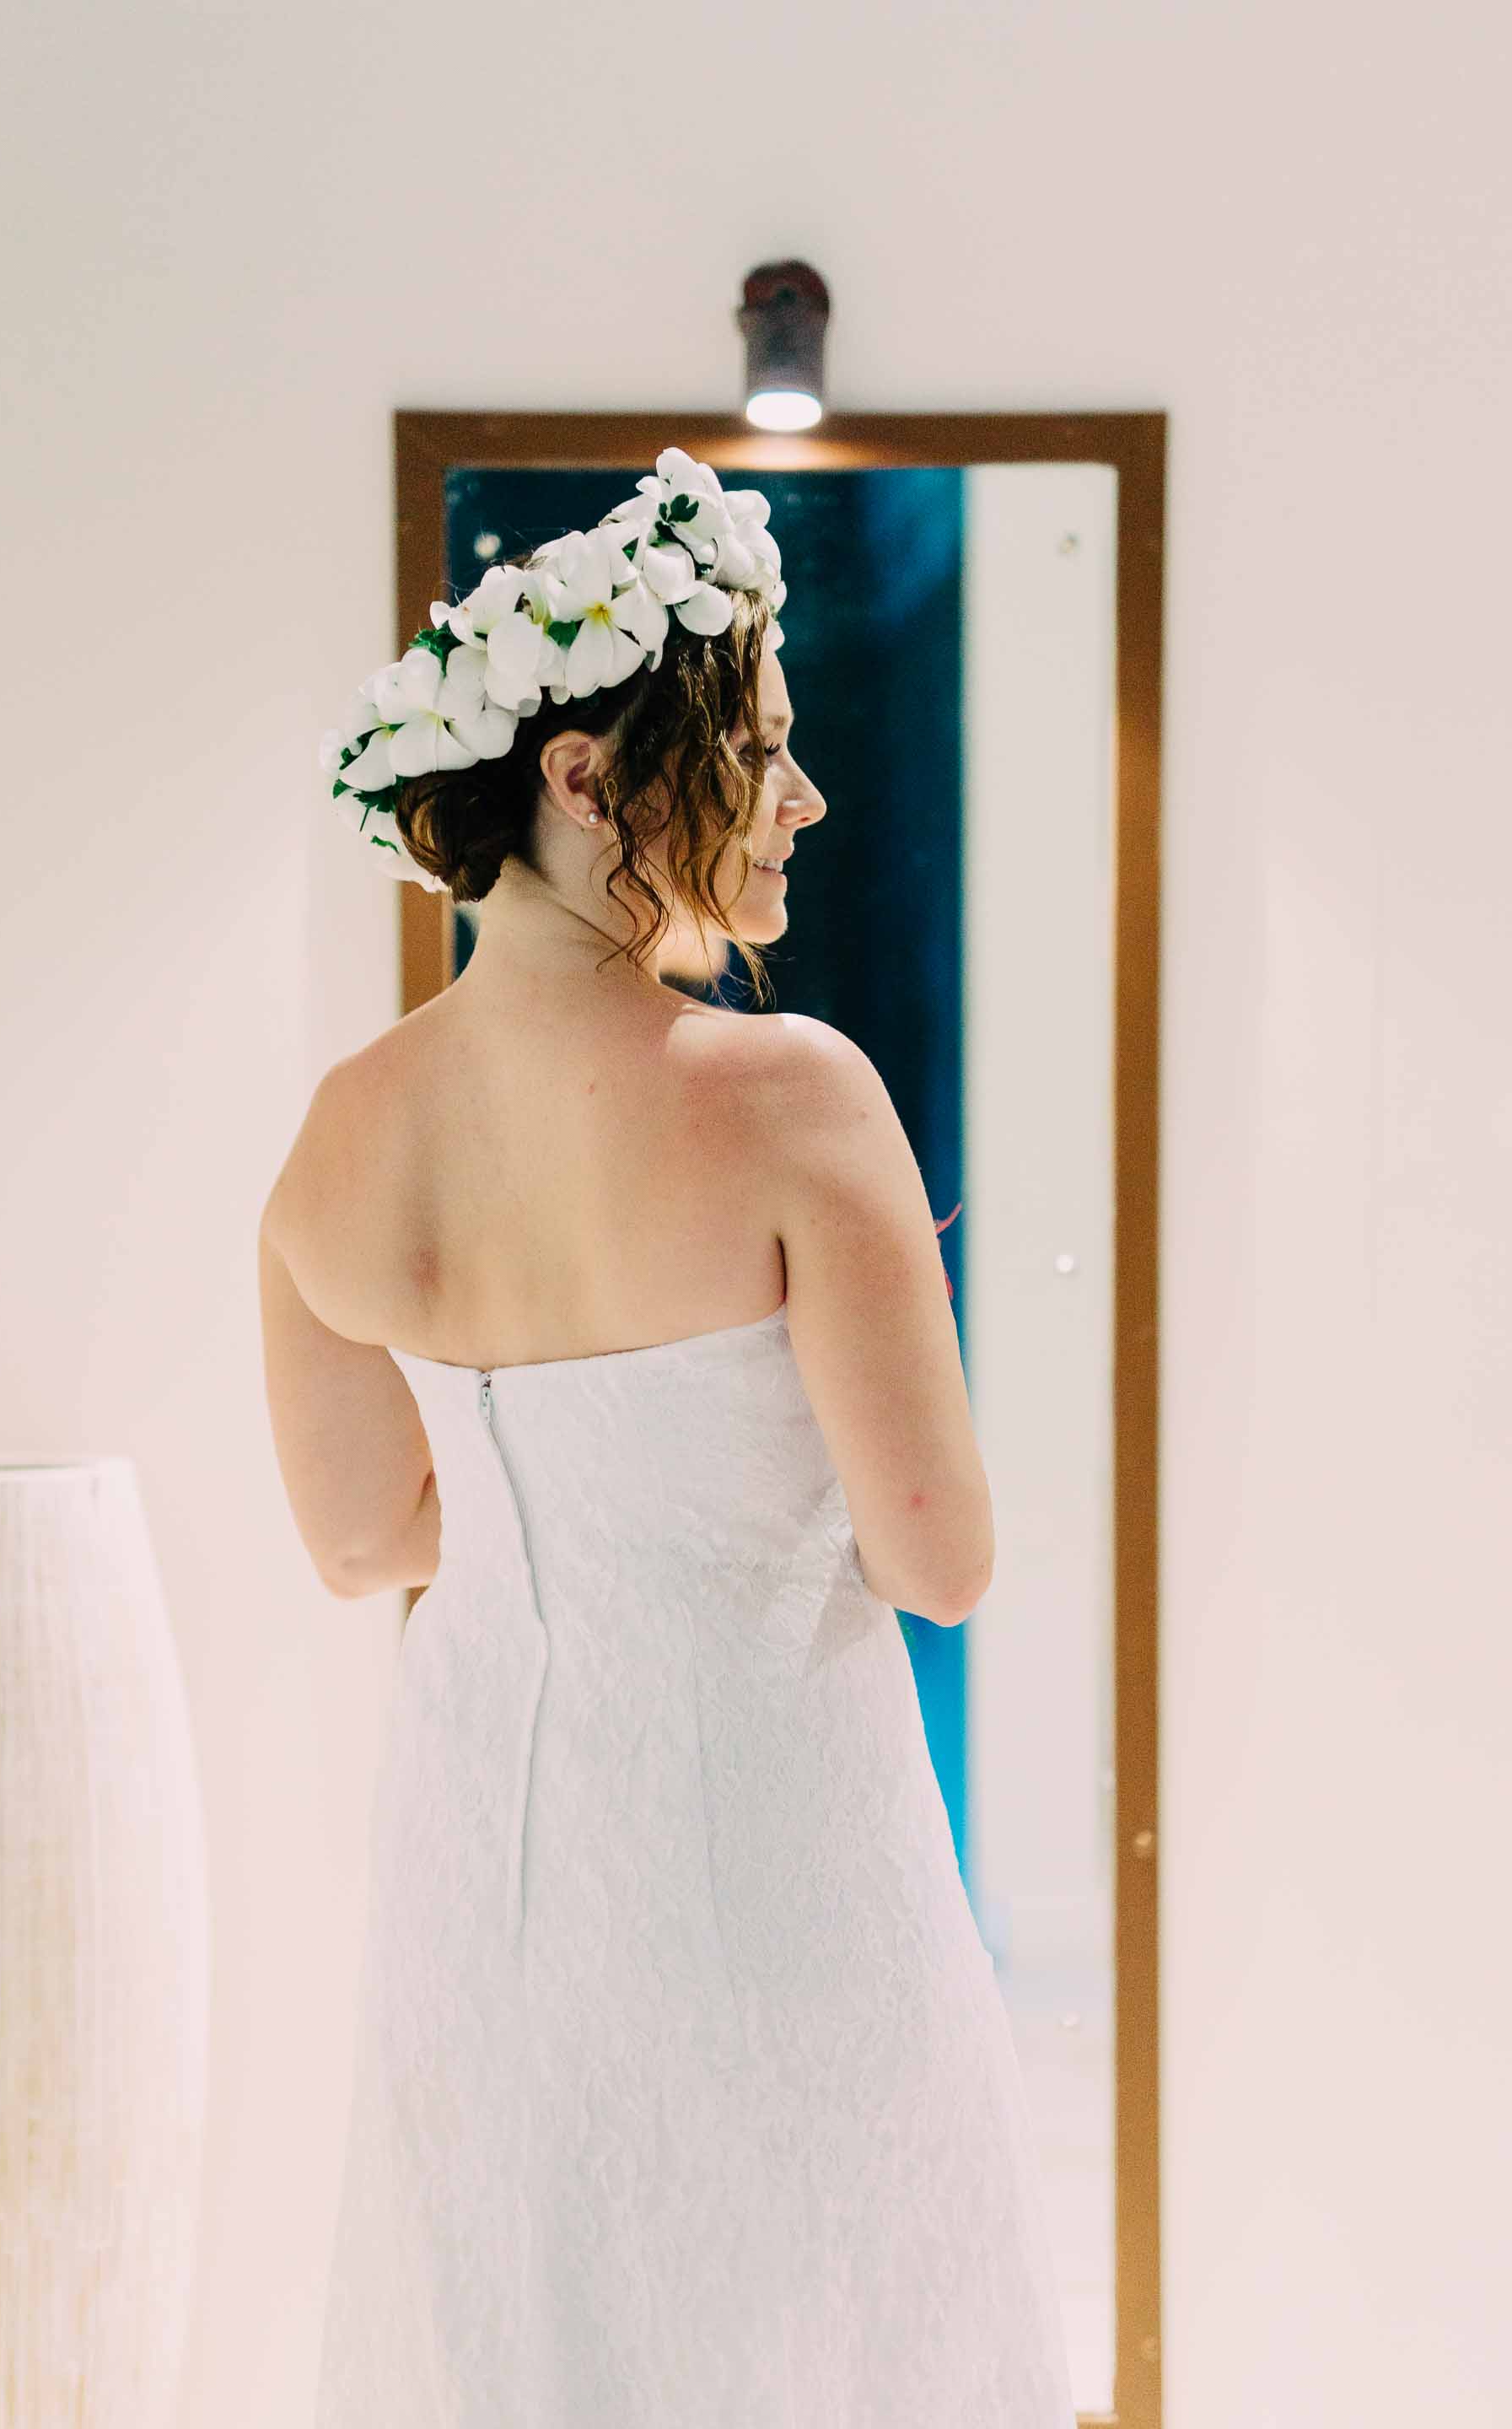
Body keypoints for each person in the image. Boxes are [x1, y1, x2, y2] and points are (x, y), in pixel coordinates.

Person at [259, 450, 1076, 2426]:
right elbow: (943, 1562)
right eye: (761, 749)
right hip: (774, 1868)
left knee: (528, 2335)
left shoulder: (343, 1136)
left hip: (487, 1878)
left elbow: (367, 1543)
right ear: (579, 777)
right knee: (822, 2335)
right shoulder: (790, 1097)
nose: (801, 797)